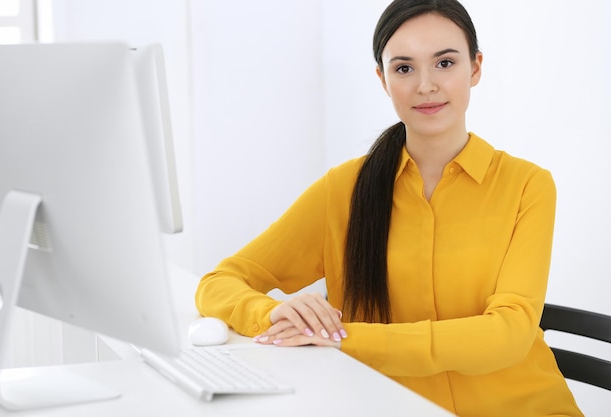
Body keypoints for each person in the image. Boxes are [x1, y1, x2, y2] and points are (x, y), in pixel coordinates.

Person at [195, 0, 584, 415]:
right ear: (383, 80)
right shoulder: (342, 190)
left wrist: (340, 338)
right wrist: (276, 314)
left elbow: (507, 335)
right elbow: (219, 282)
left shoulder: (527, 186)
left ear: (475, 68)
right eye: (404, 68)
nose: (426, 85)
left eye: (445, 63)